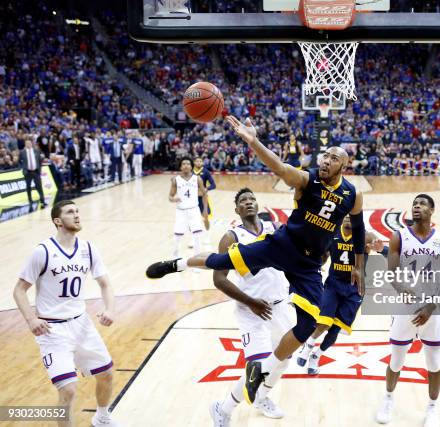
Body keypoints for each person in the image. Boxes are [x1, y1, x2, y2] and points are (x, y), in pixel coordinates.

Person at [146, 116, 365, 406]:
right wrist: (253, 141)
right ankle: (177, 264)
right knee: (220, 261)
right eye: (324, 156)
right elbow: (280, 167)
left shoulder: (352, 195)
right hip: (284, 245)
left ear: (343, 165)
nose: (325, 161)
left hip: (309, 265)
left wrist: (360, 268)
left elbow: (359, 230)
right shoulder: (307, 180)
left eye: (333, 158)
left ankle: (265, 370)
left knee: (308, 324)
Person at [13, 200, 120, 427]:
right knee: (69, 390)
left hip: (82, 324)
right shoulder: (42, 252)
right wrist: (31, 319)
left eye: (78, 211)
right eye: (71, 212)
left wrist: (109, 309)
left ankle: (102, 418)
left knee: (107, 374)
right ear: (58, 221)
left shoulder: (88, 249)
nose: (77, 215)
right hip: (53, 330)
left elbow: (105, 284)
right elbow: (19, 290)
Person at [209, 188, 292, 426]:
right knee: (257, 366)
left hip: (280, 306)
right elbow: (219, 279)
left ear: (258, 205)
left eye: (252, 199)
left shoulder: (274, 228)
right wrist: (251, 302)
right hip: (251, 310)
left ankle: (261, 397)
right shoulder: (231, 238)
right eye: (243, 200)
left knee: (284, 359)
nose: (248, 203)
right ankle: (222, 409)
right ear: (237, 209)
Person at [376, 194, 440, 427]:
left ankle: (432, 408)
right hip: (404, 306)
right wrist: (402, 289)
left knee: (434, 362)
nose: (416, 207)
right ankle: (388, 399)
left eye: (422, 204)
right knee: (397, 360)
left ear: (432, 210)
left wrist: (430, 306)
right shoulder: (399, 236)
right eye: (414, 204)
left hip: (433, 307)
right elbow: (391, 274)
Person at [296, 216, 385, 375]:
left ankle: (317, 356)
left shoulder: (366, 235)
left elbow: (385, 251)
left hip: (355, 288)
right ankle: (308, 346)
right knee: (324, 321)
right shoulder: (332, 233)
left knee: (335, 329)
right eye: (345, 215)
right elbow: (323, 256)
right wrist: (312, 267)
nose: (348, 218)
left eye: (352, 215)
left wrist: (380, 249)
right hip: (334, 285)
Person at [169, 157, 209, 258]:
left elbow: (204, 194)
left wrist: (204, 210)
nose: (186, 165)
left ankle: (197, 259)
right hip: (181, 211)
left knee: (197, 235)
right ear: (180, 167)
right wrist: (173, 199)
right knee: (177, 235)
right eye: (183, 164)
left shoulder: (197, 179)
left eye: (188, 164)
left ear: (191, 166)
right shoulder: (175, 180)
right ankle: (175, 258)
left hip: (194, 210)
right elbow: (170, 196)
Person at [19, 138, 47, 210]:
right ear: (25, 144)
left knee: (39, 186)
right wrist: (23, 168)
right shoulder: (22, 152)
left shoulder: (36, 151)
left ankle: (42, 200)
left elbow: (40, 160)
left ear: (31, 144)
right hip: (27, 172)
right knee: (28, 187)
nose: (28, 144)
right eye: (27, 143)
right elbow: (19, 161)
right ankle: (30, 201)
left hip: (36, 171)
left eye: (29, 143)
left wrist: (39, 169)